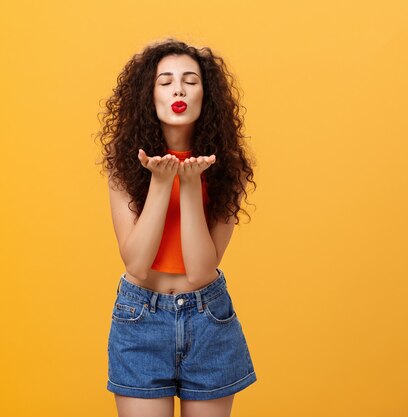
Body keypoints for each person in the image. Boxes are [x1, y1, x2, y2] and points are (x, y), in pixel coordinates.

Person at [95, 38, 257, 417]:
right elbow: (136, 263)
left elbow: (202, 270)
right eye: (165, 82)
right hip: (140, 321)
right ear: (148, 96)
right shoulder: (123, 166)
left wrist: (189, 185)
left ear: (207, 95)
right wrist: (161, 181)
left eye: (190, 80)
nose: (179, 89)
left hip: (208, 321)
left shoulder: (228, 168)